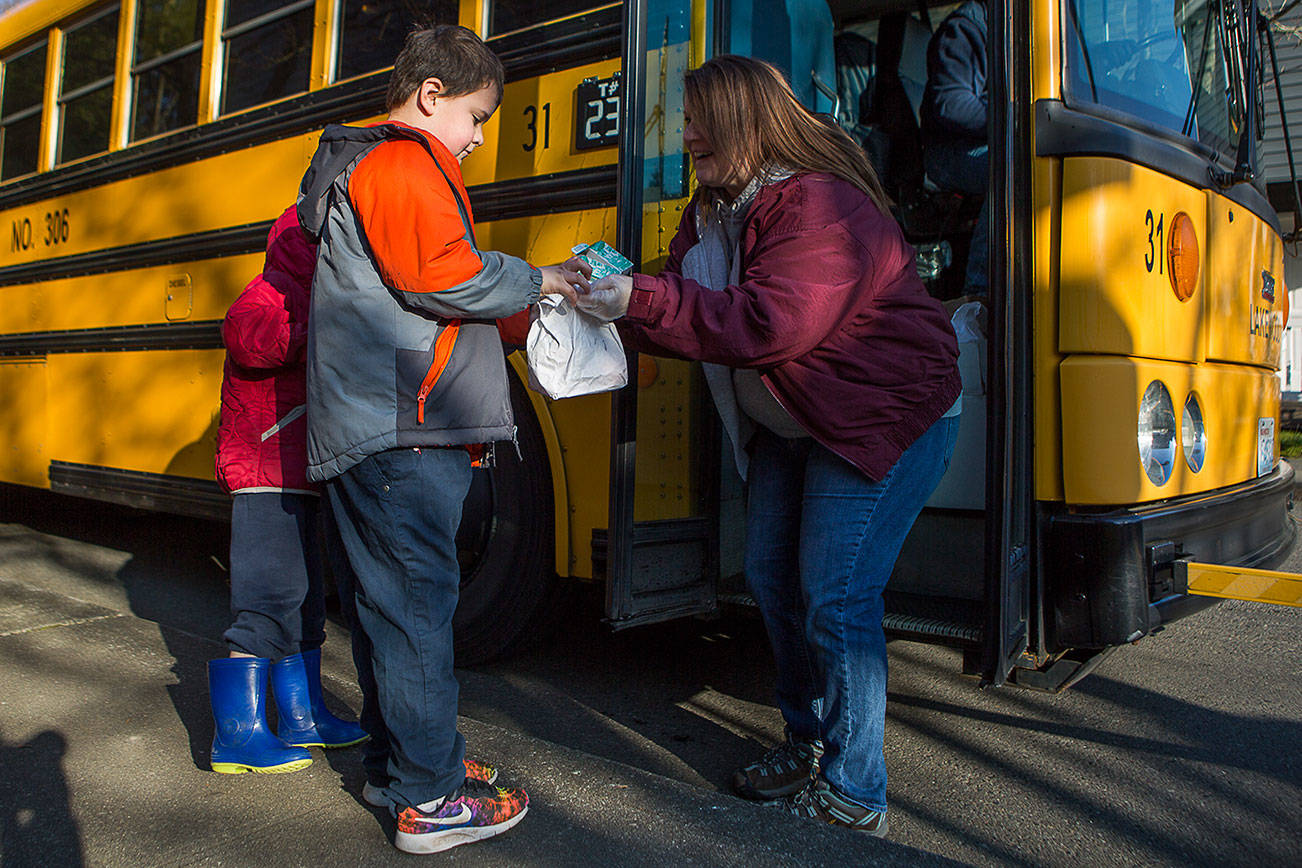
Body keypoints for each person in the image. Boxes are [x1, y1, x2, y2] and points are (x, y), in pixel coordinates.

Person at [578, 55, 961, 837]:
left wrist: (642, 298)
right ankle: (805, 741)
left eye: (698, 120)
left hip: (873, 417)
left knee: (837, 594)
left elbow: (766, 323)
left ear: (745, 121)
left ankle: (856, 791)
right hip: (797, 418)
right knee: (770, 581)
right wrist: (586, 301)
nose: (684, 135)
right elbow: (680, 293)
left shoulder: (817, 205)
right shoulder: (717, 210)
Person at [294, 25, 589, 855]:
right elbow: (445, 274)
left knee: (392, 610)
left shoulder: (374, 165)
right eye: (475, 115)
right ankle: (430, 798)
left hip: (384, 421)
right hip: (405, 429)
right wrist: (541, 278)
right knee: (419, 608)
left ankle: (404, 767)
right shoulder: (402, 162)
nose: (479, 135)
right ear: (432, 97)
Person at [209, 206, 367, 775]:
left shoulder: (315, 289)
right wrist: (318, 329)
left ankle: (305, 716)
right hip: (265, 474)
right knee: (266, 604)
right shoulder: (272, 288)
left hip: (302, 473)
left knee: (303, 605)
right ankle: (238, 736)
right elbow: (248, 338)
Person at [920, 0, 989, 296]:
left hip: (980, 142)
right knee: (1015, 166)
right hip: (946, 153)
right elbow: (950, 104)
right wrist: (1014, 119)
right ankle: (981, 291)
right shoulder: (964, 29)